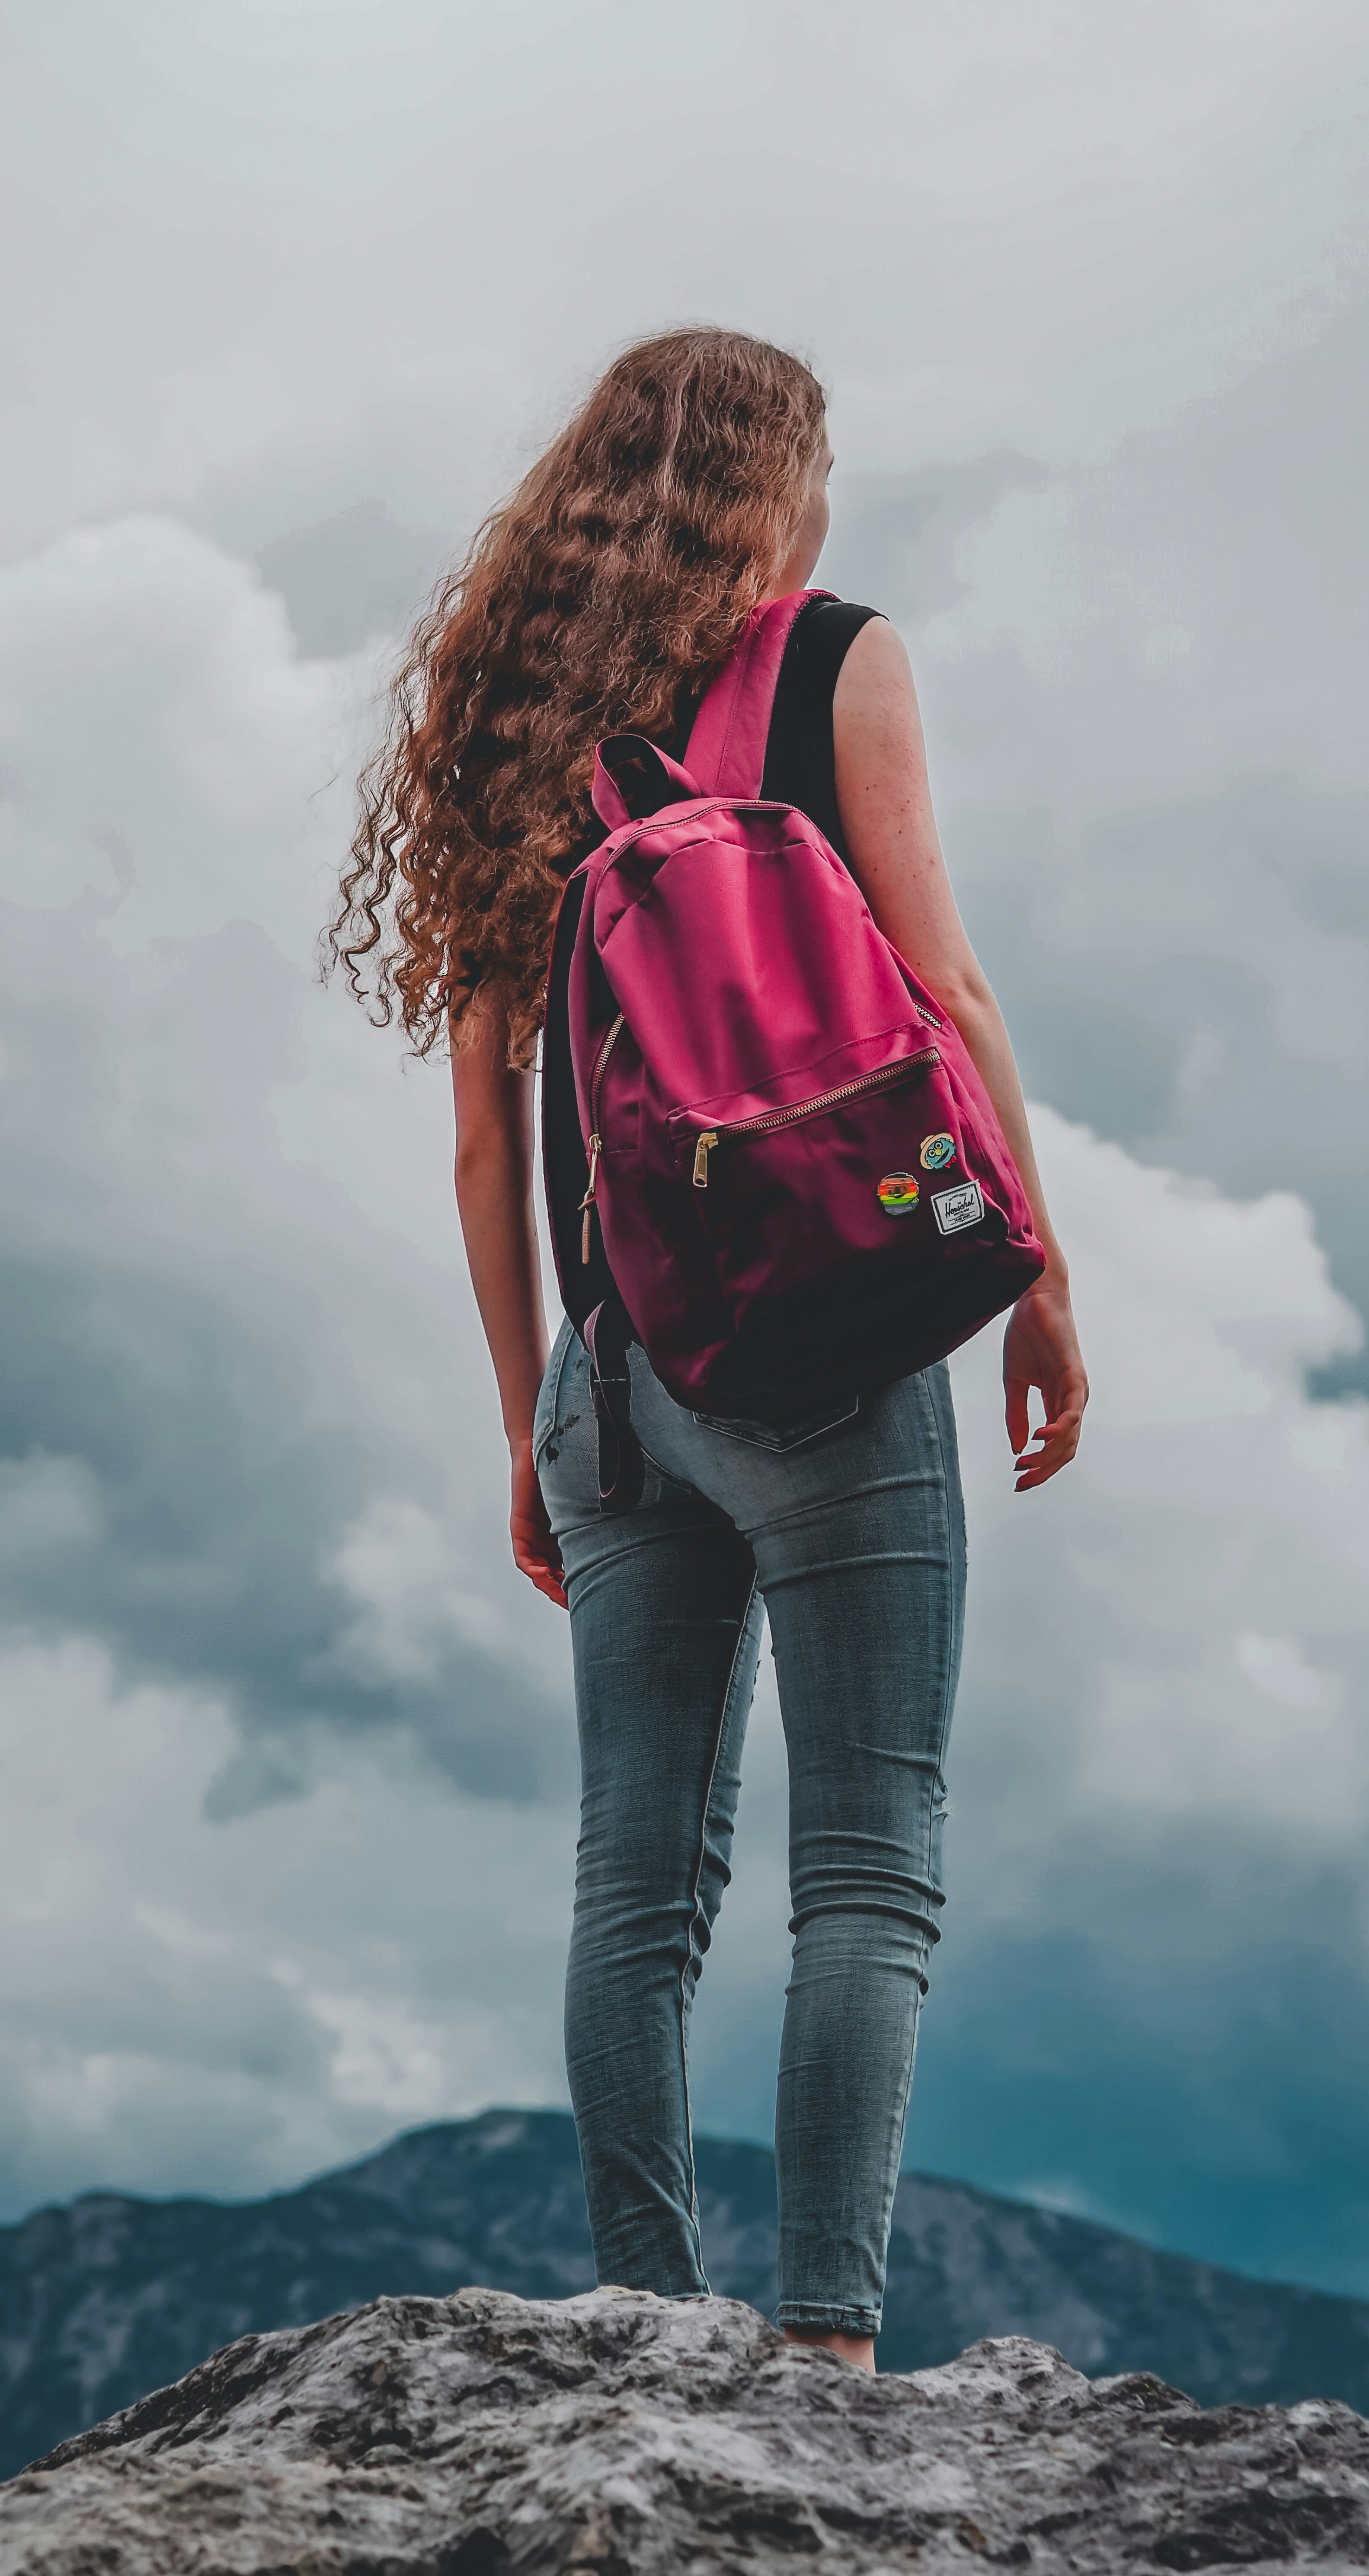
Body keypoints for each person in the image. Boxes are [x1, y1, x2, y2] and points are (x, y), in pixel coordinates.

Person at [326, 328, 1087, 2370]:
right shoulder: (834, 658)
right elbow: (945, 988)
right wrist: (1038, 1276)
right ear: (781, 489)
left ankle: (644, 2335)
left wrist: (534, 1415)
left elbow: (487, 1129)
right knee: (870, 1866)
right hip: (827, 1343)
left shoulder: (501, 718)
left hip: (611, 1373)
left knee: (635, 1882)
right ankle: (827, 2350)